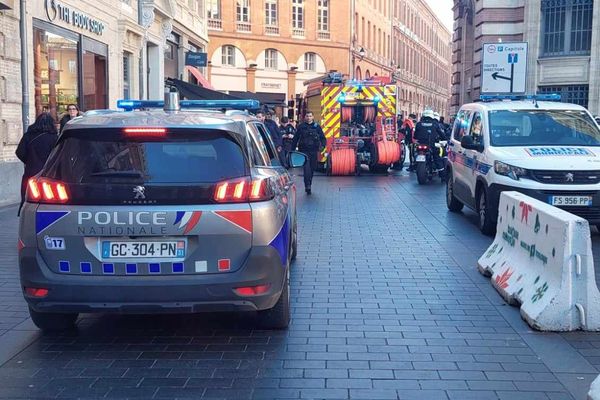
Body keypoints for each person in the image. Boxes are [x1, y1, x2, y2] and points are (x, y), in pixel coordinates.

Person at [15, 113, 59, 215]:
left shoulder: (28, 136)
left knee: (28, 198)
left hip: (30, 173)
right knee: (47, 200)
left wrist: (30, 161)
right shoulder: (54, 138)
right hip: (49, 175)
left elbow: (19, 152)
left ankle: (27, 216)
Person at [292, 111, 326, 195]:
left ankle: (309, 183)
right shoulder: (301, 127)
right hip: (304, 151)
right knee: (306, 169)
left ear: (313, 117)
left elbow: (323, 138)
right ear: (305, 117)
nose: (308, 117)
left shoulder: (317, 127)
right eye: (307, 116)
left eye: (310, 116)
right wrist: (292, 150)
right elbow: (296, 138)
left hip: (314, 151)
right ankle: (307, 186)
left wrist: (323, 146)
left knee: (312, 168)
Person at [414, 109, 445, 173]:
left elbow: (415, 135)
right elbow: (441, 134)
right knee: (437, 158)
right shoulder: (435, 124)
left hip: (421, 144)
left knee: (416, 153)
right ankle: (442, 175)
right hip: (431, 144)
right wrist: (445, 139)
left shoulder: (419, 124)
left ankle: (414, 165)